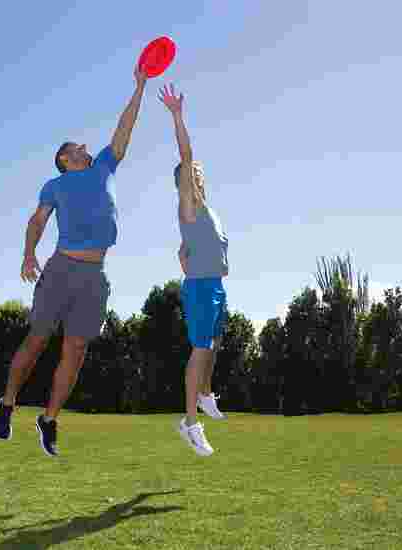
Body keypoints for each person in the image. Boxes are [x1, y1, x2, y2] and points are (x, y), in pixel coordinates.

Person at [0, 66, 148, 457]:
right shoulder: (56, 185)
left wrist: (140, 87)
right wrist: (29, 252)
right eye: (78, 146)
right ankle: (8, 401)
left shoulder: (103, 167)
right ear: (65, 158)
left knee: (76, 350)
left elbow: (124, 129)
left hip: (95, 276)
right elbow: (37, 220)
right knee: (38, 339)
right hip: (61, 269)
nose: (86, 146)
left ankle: (48, 419)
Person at [158, 84, 229, 457]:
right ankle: (189, 423)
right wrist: (176, 115)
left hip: (215, 285)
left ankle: (204, 394)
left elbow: (192, 246)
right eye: (191, 173)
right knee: (200, 349)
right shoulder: (188, 204)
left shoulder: (208, 212)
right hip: (201, 287)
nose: (197, 174)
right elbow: (186, 155)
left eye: (199, 172)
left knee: (215, 344)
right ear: (185, 181)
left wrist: (184, 251)